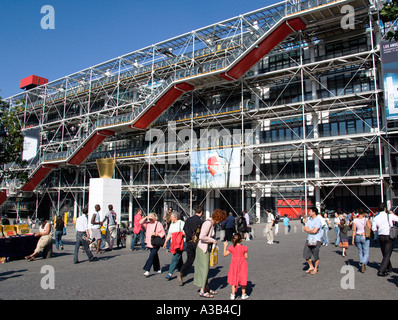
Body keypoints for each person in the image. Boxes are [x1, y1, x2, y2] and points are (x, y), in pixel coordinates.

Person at [194, 209, 226, 298]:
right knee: (204, 268)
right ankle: (202, 290)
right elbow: (202, 236)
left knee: (206, 268)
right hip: (202, 248)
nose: (220, 222)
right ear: (218, 218)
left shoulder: (211, 224)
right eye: (221, 219)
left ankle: (206, 287)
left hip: (206, 247)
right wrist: (213, 240)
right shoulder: (208, 223)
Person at [178, 205, 204, 286]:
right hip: (197, 243)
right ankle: (200, 275)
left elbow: (184, 231)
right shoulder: (200, 222)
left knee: (190, 259)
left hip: (189, 242)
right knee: (200, 259)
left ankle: (181, 272)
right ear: (201, 212)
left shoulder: (188, 220)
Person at [371, 202, 398, 277]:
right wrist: (392, 213)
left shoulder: (375, 217)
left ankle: (389, 268)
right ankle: (381, 271)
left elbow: (373, 228)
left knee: (384, 252)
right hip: (389, 235)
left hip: (381, 235)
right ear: (385, 209)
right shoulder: (389, 216)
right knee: (387, 253)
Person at [223, 233, 249, 300]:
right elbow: (246, 257)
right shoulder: (244, 247)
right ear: (240, 240)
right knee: (243, 279)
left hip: (234, 265)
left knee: (234, 280)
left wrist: (225, 246)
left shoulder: (231, 247)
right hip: (242, 265)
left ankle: (233, 295)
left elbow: (225, 254)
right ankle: (243, 295)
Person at [141, 213, 165, 277]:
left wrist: (156, 234)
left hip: (156, 242)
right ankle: (158, 269)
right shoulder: (148, 223)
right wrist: (146, 217)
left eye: (151, 216)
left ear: (155, 217)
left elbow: (163, 233)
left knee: (151, 256)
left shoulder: (158, 224)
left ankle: (147, 270)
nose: (150, 217)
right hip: (149, 242)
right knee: (154, 255)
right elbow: (140, 222)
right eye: (150, 216)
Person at [163, 212, 185, 280]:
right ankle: (181, 270)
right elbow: (169, 234)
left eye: (171, 217)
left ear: (175, 217)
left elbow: (184, 232)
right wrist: (165, 242)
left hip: (180, 243)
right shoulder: (172, 224)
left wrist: (178, 234)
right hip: (174, 243)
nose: (170, 218)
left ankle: (170, 273)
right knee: (179, 258)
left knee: (175, 257)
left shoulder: (181, 223)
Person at [303, 207, 323, 275]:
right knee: (306, 254)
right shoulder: (309, 220)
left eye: (310, 211)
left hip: (316, 239)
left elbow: (315, 231)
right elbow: (305, 228)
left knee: (315, 255)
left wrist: (309, 230)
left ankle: (315, 268)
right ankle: (311, 266)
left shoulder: (318, 220)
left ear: (314, 212)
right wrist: (311, 230)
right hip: (309, 239)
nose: (309, 212)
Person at [352, 208, 372, 273]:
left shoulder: (355, 220)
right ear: (363, 213)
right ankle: (363, 262)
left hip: (357, 236)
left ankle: (361, 265)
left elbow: (354, 230)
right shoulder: (366, 219)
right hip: (364, 236)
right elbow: (369, 227)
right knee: (366, 252)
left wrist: (353, 239)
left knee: (360, 251)